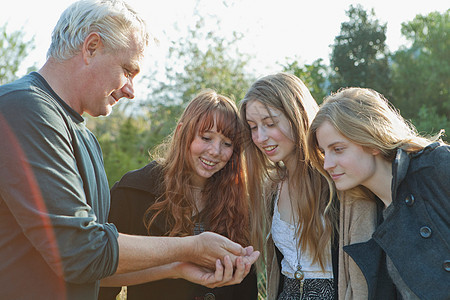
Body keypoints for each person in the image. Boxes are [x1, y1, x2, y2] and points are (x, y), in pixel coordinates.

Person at [0, 1, 258, 299]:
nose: (131, 90)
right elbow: (80, 248)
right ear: (91, 47)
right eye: (127, 70)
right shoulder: (25, 109)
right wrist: (192, 246)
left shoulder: (82, 135)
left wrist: (178, 267)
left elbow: (94, 265)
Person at [98, 90, 258, 299]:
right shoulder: (134, 191)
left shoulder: (239, 200)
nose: (216, 151)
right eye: (206, 137)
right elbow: (98, 275)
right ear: (183, 132)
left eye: (227, 144)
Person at [307, 87, 450, 300]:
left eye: (338, 149)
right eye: (323, 152)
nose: (327, 164)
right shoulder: (363, 212)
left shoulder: (435, 166)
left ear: (372, 141)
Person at [239, 73, 339, 300]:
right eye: (253, 127)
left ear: (298, 116)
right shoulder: (272, 188)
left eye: (270, 123)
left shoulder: (336, 179)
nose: (260, 137)